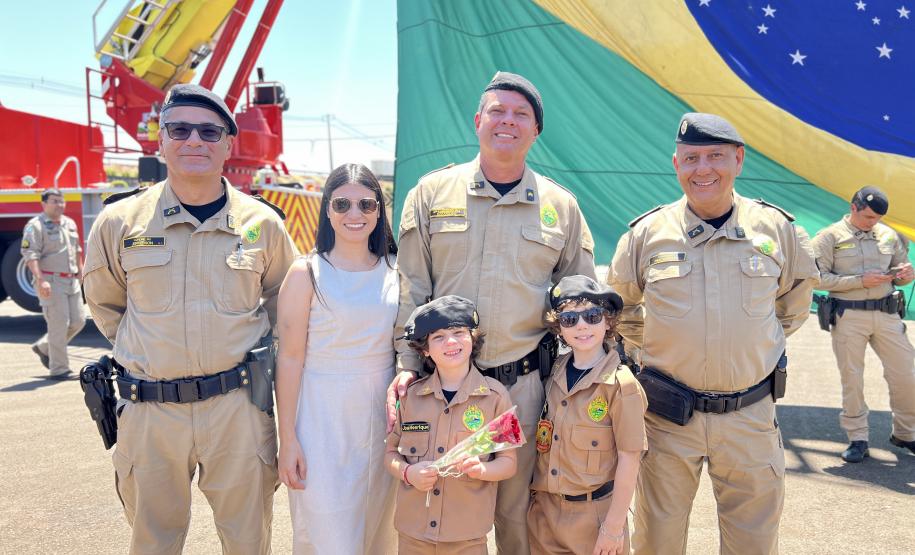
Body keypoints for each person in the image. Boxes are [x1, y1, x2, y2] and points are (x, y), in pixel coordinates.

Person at [83, 83, 297, 554]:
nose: (193, 140)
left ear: (228, 143)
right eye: (179, 129)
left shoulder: (263, 223)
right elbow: (106, 305)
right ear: (160, 141)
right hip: (150, 410)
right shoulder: (121, 222)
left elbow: (288, 307)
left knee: (248, 540)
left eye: (208, 131)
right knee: (152, 542)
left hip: (238, 410)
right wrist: (155, 351)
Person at [390, 71, 596, 554]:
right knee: (442, 503)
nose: (508, 121)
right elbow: (412, 286)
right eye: (498, 111)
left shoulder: (561, 208)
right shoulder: (431, 194)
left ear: (536, 131)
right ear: (477, 121)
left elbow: (579, 302)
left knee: (516, 509)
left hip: (522, 388)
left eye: (521, 114)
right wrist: (405, 366)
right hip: (442, 389)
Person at [609, 113, 819, 555]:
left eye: (715, 157)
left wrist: (752, 343)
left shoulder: (776, 228)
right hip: (667, 419)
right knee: (657, 541)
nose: (703, 169)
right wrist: (661, 347)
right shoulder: (647, 233)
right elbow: (619, 307)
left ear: (738, 160)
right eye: (691, 159)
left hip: (749, 417)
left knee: (753, 543)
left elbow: (793, 305)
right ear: (676, 164)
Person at [275, 163, 399, 554]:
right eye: (342, 204)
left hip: (383, 420)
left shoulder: (398, 270)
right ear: (327, 209)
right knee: (329, 535)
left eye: (366, 204)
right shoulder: (305, 273)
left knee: (381, 532)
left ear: (380, 210)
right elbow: (290, 359)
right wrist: (288, 439)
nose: (354, 214)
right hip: (321, 422)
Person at [386, 295, 517, 554]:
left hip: (466, 538)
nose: (451, 342)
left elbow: (509, 463)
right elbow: (389, 453)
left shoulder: (496, 396)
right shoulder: (410, 397)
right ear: (424, 349)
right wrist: (407, 473)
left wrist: (482, 470)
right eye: (438, 337)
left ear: (473, 338)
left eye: (459, 332)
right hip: (414, 535)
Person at [528, 275, 647, 555]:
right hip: (545, 516)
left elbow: (630, 459)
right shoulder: (553, 373)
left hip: (595, 520)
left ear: (608, 322)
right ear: (559, 328)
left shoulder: (622, 385)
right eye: (570, 319)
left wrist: (614, 528)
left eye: (592, 316)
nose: (582, 325)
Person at [810, 186, 915, 462]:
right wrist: (858, 281)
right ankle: (858, 438)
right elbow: (816, 278)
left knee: (907, 375)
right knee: (852, 378)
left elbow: (901, 272)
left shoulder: (889, 235)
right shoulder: (830, 237)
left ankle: (906, 433)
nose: (874, 223)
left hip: (887, 314)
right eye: (869, 217)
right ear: (853, 207)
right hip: (849, 316)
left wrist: (905, 274)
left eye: (878, 218)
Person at [21, 188, 85, 378]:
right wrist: (41, 280)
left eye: (62, 201)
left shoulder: (69, 223)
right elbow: (30, 255)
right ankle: (59, 368)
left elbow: (77, 250)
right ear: (44, 204)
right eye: (55, 201)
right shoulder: (35, 226)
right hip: (50, 280)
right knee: (59, 325)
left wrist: (81, 275)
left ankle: (44, 347)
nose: (60, 205)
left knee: (78, 321)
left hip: (71, 280)